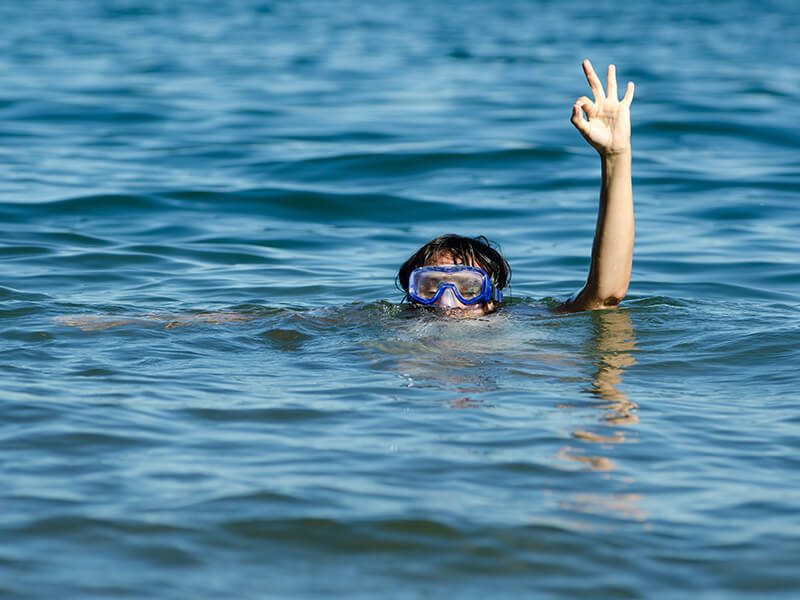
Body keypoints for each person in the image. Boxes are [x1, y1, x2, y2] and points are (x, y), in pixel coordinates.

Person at [397, 59, 635, 316]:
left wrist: (615, 156)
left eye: (468, 289)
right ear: (413, 297)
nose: (447, 303)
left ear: (491, 300)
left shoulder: (517, 326)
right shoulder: (389, 331)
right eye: (429, 288)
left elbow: (604, 297)